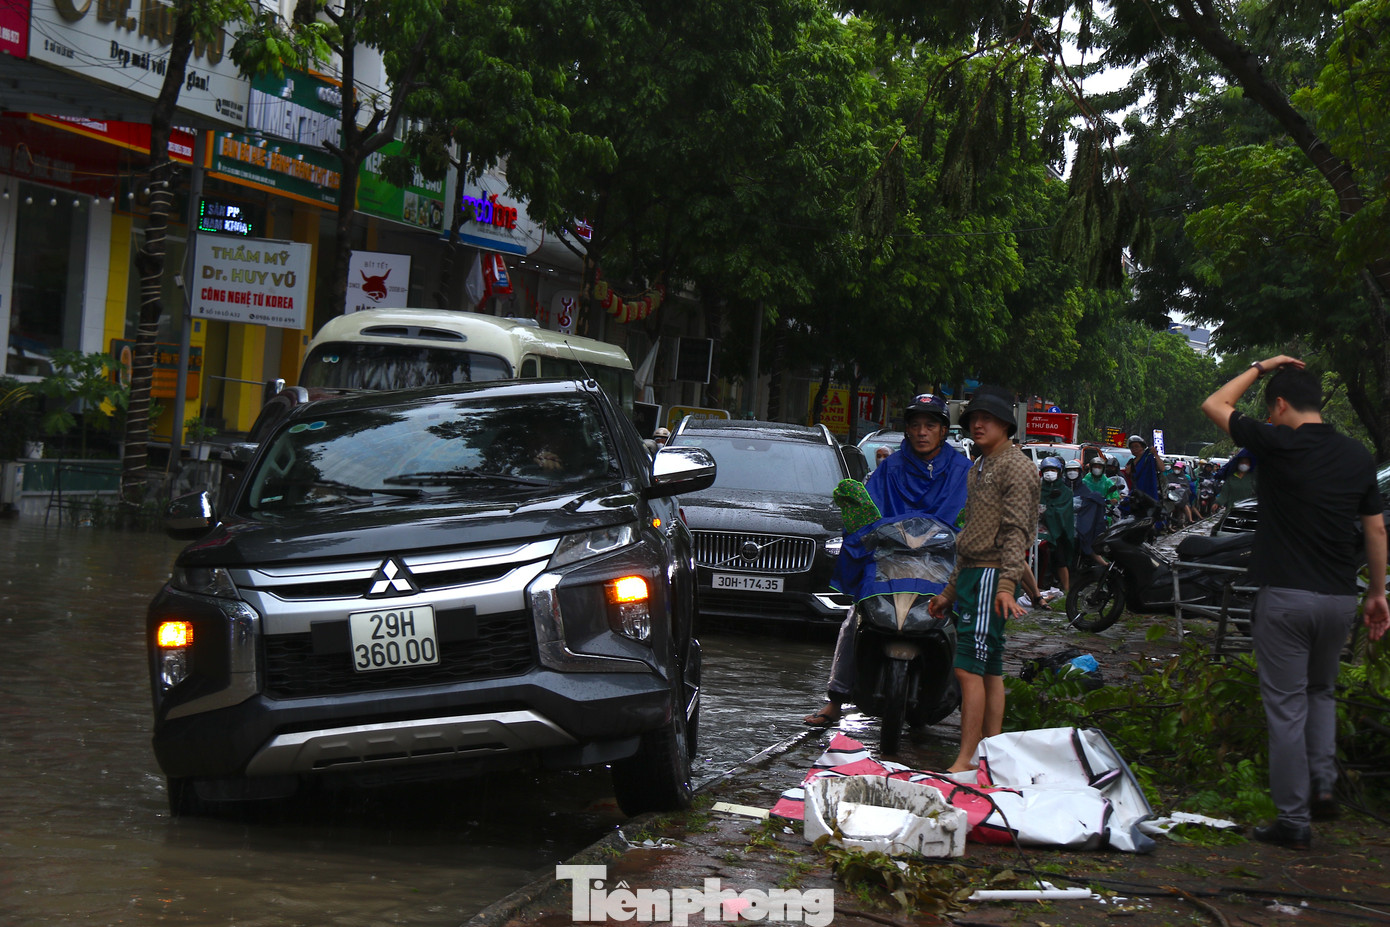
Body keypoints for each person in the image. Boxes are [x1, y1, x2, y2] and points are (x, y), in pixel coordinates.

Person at [1201, 356, 1388, 850]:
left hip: (1285, 598)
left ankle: (1293, 819)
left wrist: (1261, 367)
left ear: (1280, 405)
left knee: (1285, 708)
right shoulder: (1359, 456)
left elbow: (1215, 404)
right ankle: (1323, 784)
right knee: (1320, 692)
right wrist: (1377, 592)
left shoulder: (1276, 442)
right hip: (1338, 600)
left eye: (1270, 410)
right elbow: (1375, 528)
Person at [803, 393, 972, 727]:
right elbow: (871, 515)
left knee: (968, 617)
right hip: (889, 561)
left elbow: (972, 517)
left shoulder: (962, 470)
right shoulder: (889, 468)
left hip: (943, 565)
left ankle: (969, 703)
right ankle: (835, 700)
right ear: (907, 430)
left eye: (930, 425)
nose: (922, 432)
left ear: (943, 431)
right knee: (855, 616)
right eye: (915, 425)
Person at [927, 385, 1040, 772]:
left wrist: (1008, 585)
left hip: (993, 577)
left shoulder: (1016, 466)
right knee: (989, 667)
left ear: (1005, 425)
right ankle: (991, 756)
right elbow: (971, 534)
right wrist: (949, 591)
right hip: (974, 574)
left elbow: (1015, 534)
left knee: (967, 668)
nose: (978, 425)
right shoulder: (980, 466)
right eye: (973, 419)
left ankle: (966, 758)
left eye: (986, 419)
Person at [1038, 457, 1075, 596]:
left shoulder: (1065, 492)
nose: (1049, 473)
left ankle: (1066, 589)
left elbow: (1063, 513)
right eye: (1047, 470)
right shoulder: (1036, 488)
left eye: (1052, 470)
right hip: (1037, 530)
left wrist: (1050, 508)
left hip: (1057, 531)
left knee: (1060, 559)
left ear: (1059, 472)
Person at [1126, 434, 1160, 507]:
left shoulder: (1150, 460)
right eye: (1132, 447)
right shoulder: (1132, 461)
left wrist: (1155, 454)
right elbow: (1128, 471)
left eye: (1137, 446)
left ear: (1143, 447)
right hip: (1137, 493)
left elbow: (1162, 468)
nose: (1134, 449)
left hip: (1150, 493)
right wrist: (1140, 457)